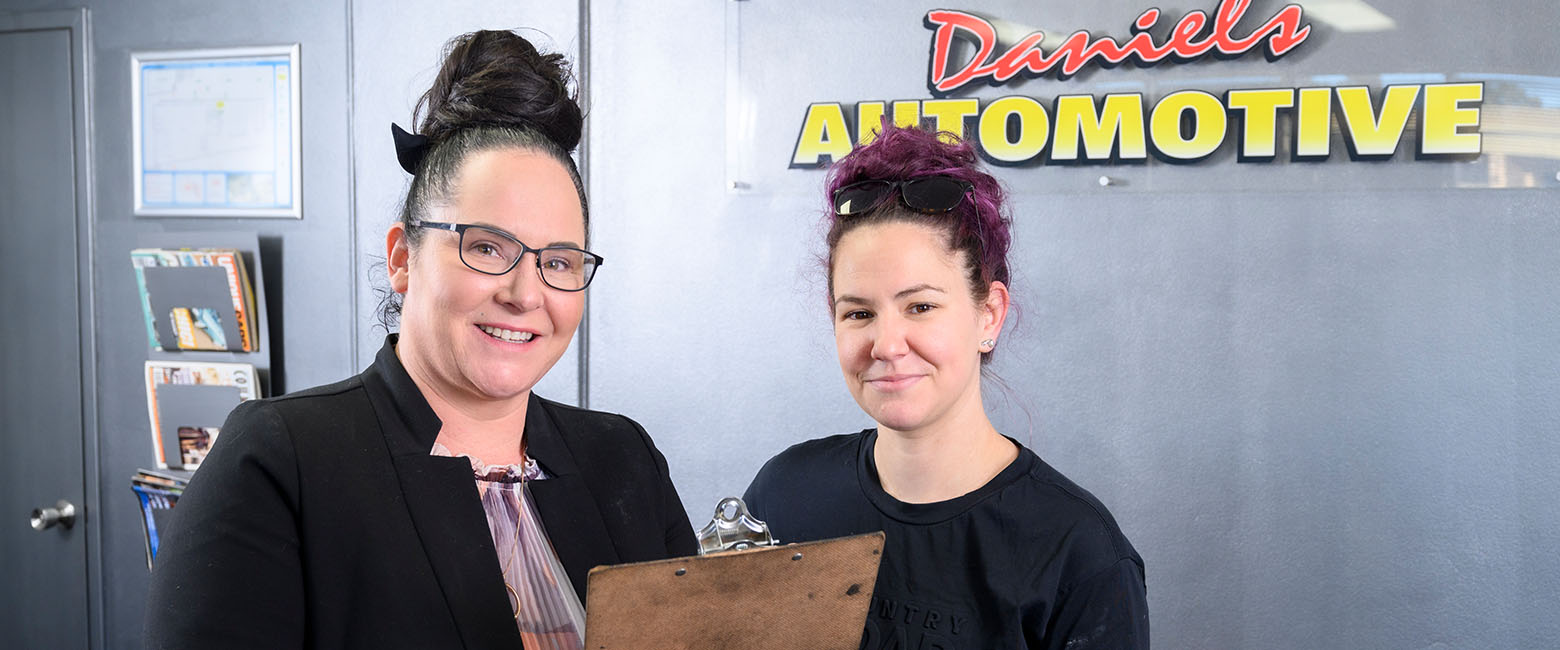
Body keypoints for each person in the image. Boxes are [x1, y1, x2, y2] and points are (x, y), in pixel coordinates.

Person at [145, 30, 697, 649]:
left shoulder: (623, 458)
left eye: (560, 262)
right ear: (403, 257)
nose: (526, 293)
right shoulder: (281, 461)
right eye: (488, 247)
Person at [743, 123, 1149, 649]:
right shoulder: (784, 497)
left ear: (989, 315)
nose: (887, 344)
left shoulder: (1079, 553)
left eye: (921, 307)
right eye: (859, 312)